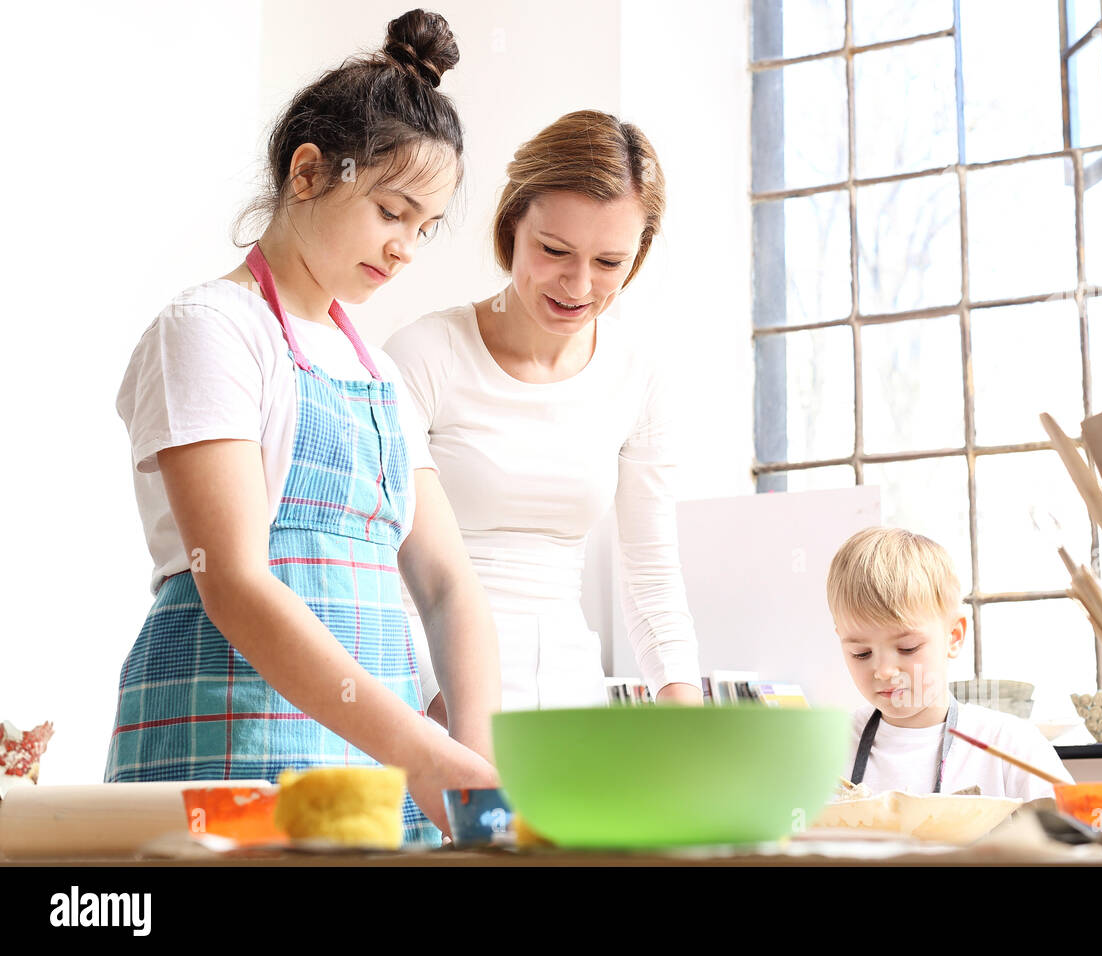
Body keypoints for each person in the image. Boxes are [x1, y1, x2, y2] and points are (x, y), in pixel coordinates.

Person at [105, 9, 499, 845]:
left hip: (378, 758)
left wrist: (473, 751)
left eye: (425, 230)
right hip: (231, 733)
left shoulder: (379, 374)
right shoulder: (212, 329)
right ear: (309, 172)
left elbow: (446, 584)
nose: (405, 252)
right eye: (392, 212)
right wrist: (419, 750)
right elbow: (236, 581)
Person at [385, 110, 702, 714]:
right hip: (430, 690)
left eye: (610, 262)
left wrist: (684, 712)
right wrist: (437, 705)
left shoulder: (637, 376)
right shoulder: (424, 355)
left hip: (567, 696)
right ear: (511, 228)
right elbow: (377, 558)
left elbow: (651, 574)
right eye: (555, 250)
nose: (578, 285)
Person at [826, 527, 1072, 799]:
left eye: (908, 648)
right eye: (861, 653)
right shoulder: (824, 750)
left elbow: (1080, 832)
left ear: (953, 636)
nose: (884, 671)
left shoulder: (1011, 747)